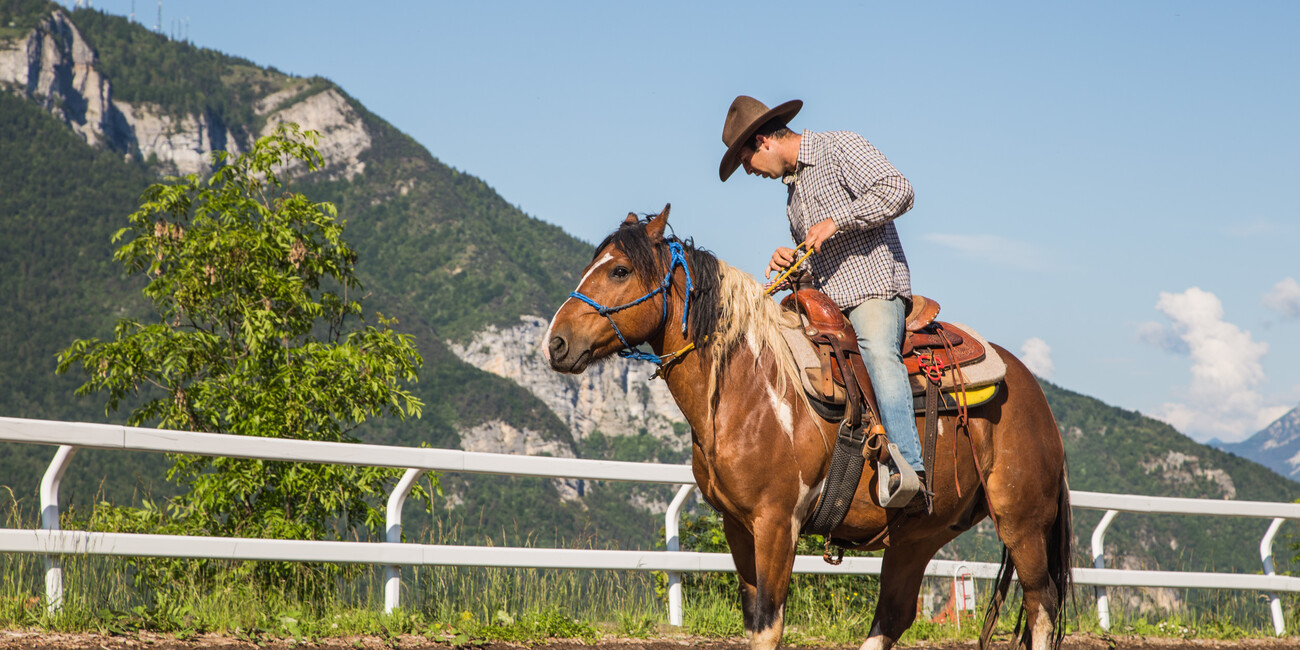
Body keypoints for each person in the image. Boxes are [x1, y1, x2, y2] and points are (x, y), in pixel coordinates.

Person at [718, 95, 926, 513]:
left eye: (747, 163)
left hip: (871, 290)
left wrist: (837, 220)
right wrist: (792, 265)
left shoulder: (838, 147)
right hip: (826, 306)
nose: (751, 174)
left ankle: (911, 470)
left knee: (878, 352)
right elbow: (819, 260)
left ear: (763, 142)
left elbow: (899, 190)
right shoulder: (792, 196)